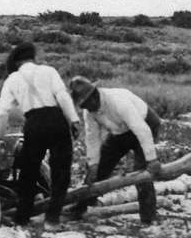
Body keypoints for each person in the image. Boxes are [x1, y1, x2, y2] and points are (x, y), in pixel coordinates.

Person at [0, 42, 82, 230]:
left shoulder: (12, 80)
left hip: (33, 123)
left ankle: (22, 219)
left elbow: (2, 112)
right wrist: (74, 120)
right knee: (60, 172)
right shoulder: (49, 71)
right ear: (32, 58)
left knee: (29, 171)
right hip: (57, 120)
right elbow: (63, 97)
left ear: (16, 63)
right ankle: (52, 219)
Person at [67, 76, 164, 224]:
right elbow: (92, 139)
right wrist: (93, 164)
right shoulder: (89, 112)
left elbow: (141, 129)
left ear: (95, 95)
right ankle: (80, 208)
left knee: (142, 172)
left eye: (88, 103)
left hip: (145, 123)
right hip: (120, 132)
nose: (87, 108)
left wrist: (152, 159)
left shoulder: (118, 101)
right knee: (99, 168)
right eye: (83, 105)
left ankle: (148, 218)